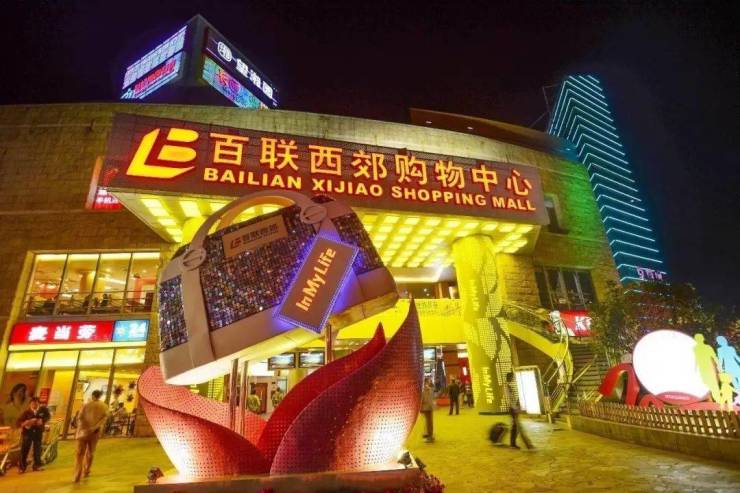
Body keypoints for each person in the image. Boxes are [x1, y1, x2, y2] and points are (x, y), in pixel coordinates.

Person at [74, 390, 109, 482]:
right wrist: (94, 428)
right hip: (95, 433)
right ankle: (87, 470)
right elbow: (104, 419)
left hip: (83, 432)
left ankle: (77, 474)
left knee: (79, 453)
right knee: (91, 452)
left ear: (93, 395)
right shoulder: (104, 406)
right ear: (100, 396)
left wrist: (82, 428)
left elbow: (80, 418)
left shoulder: (86, 405)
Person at [16, 396, 50, 472]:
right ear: (30, 404)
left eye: (36, 403)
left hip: (38, 432)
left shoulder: (42, 410)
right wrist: (26, 423)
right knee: (25, 449)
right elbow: (18, 422)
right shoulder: (26, 412)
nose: (34, 405)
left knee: (37, 448)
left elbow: (48, 416)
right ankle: (22, 467)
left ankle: (37, 466)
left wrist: (42, 421)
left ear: (38, 404)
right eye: (33, 403)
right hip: (28, 433)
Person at [504, 372, 533, 450]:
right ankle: (525, 444)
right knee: (517, 426)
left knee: (515, 426)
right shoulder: (506, 386)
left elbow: (511, 399)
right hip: (512, 409)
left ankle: (513, 444)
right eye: (512, 377)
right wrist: (515, 408)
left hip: (513, 408)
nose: (513, 379)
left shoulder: (508, 386)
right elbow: (509, 399)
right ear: (509, 378)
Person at [693, 334, 721, 402]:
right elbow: (695, 360)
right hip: (702, 369)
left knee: (713, 386)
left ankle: (718, 401)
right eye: (697, 339)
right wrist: (695, 369)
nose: (698, 340)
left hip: (710, 369)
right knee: (706, 386)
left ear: (703, 339)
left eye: (699, 338)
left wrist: (718, 367)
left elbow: (714, 357)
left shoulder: (707, 347)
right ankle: (710, 401)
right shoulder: (695, 349)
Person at [420, 377, 435, 442]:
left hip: (426, 407)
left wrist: (421, 407)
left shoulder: (424, 390)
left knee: (428, 422)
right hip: (430, 407)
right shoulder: (430, 389)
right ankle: (429, 434)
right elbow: (431, 399)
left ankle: (429, 437)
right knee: (429, 422)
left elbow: (423, 399)